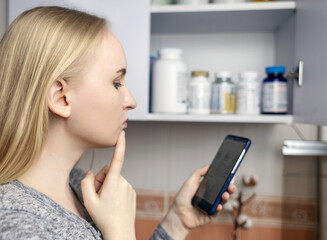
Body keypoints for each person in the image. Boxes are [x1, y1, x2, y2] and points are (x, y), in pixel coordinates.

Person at [0, 6, 235, 240]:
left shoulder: (78, 185)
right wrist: (120, 232)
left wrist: (177, 221)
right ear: (61, 98)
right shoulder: (18, 225)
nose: (132, 101)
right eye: (116, 83)